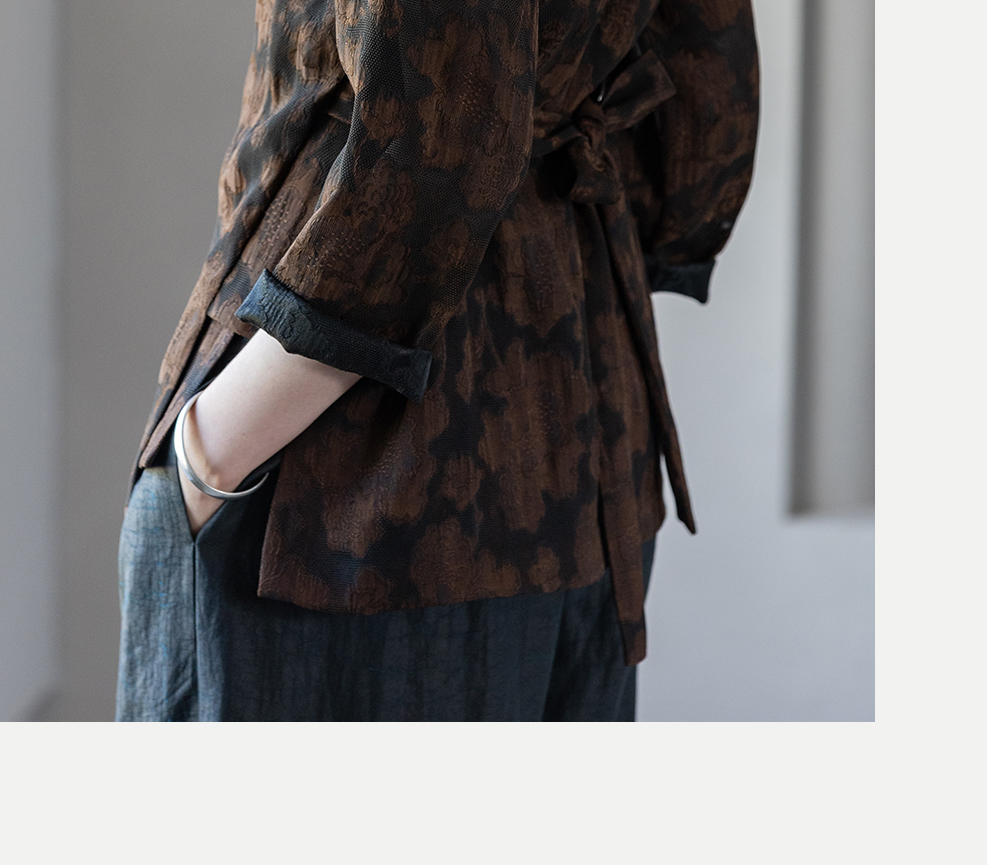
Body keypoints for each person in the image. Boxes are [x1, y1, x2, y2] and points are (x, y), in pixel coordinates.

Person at [116, 0, 759, 721]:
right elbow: (709, 76)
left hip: (348, 479)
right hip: (586, 414)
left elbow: (445, 119)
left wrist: (212, 458)